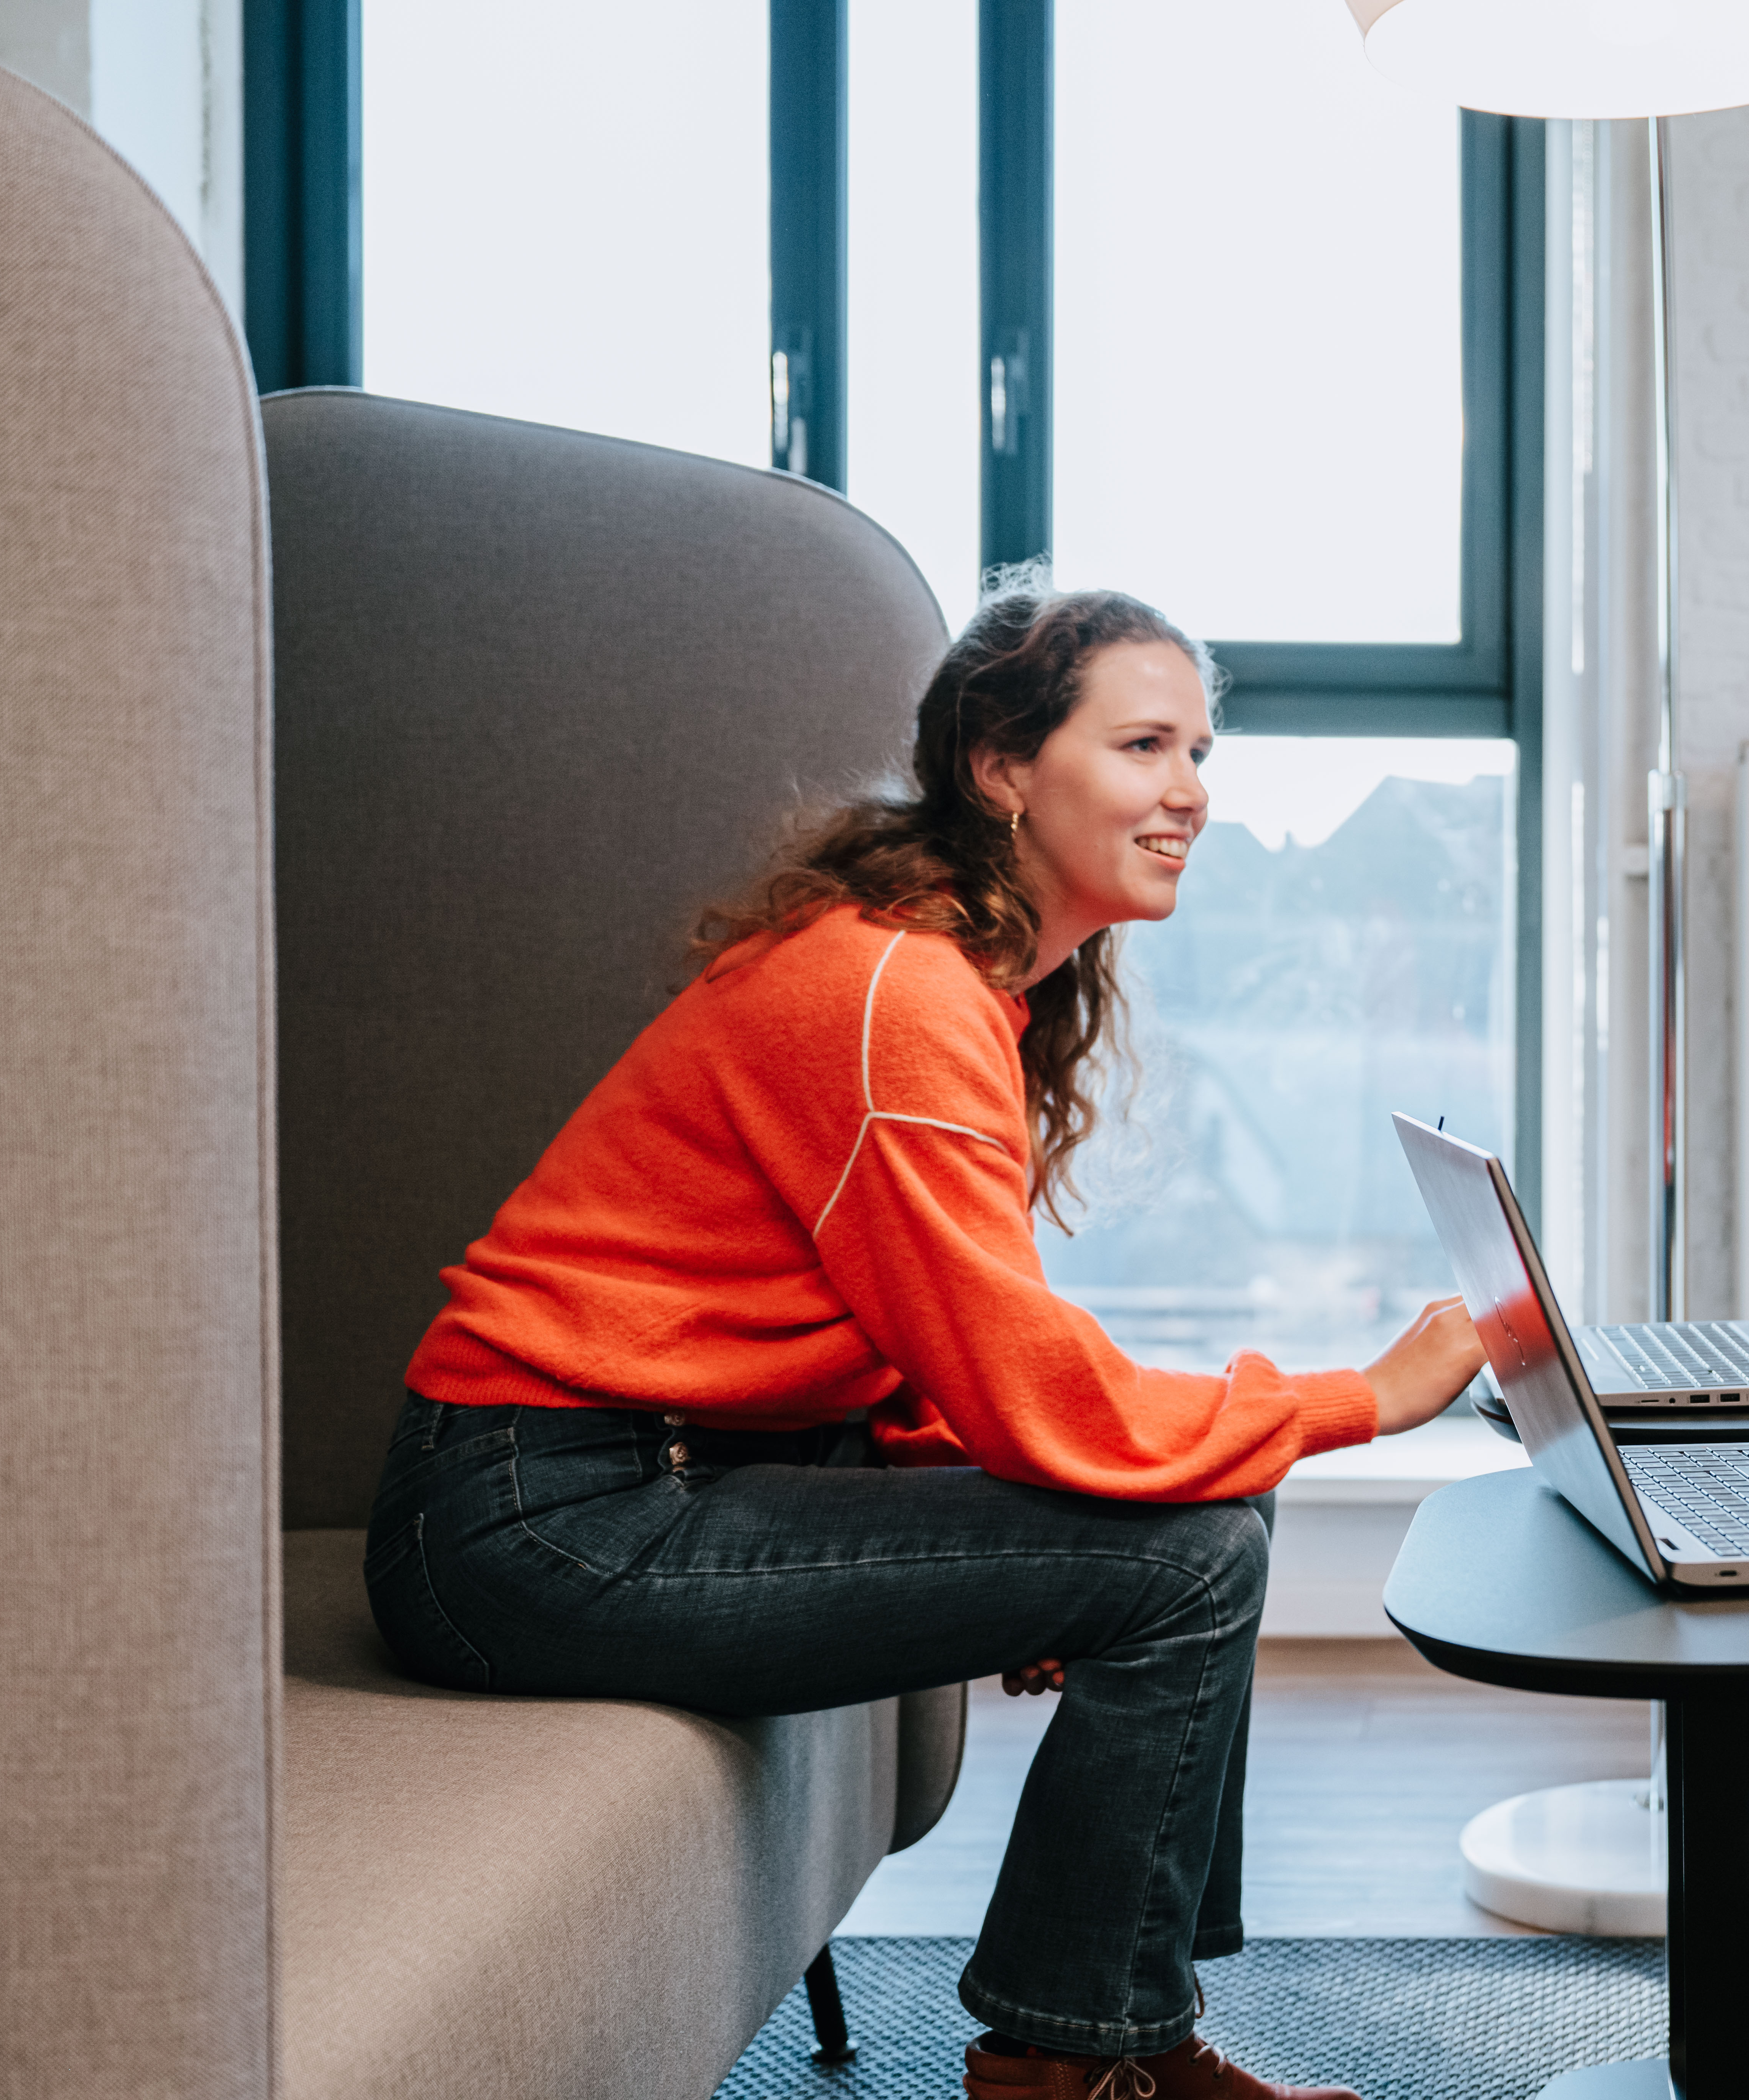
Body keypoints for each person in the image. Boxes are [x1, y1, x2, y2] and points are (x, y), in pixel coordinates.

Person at [364, 572, 1487, 2100]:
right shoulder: (899, 992)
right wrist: (1368, 1391)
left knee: (1204, 1504)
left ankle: (1117, 2037)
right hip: (533, 1518)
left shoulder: (943, 977)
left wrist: (1016, 1548)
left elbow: (920, 1342)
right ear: (1004, 765)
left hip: (650, 1476)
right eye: (1147, 745)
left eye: (1202, 753)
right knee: (1194, 1545)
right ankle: (1069, 2060)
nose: (1193, 794)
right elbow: (1031, 1387)